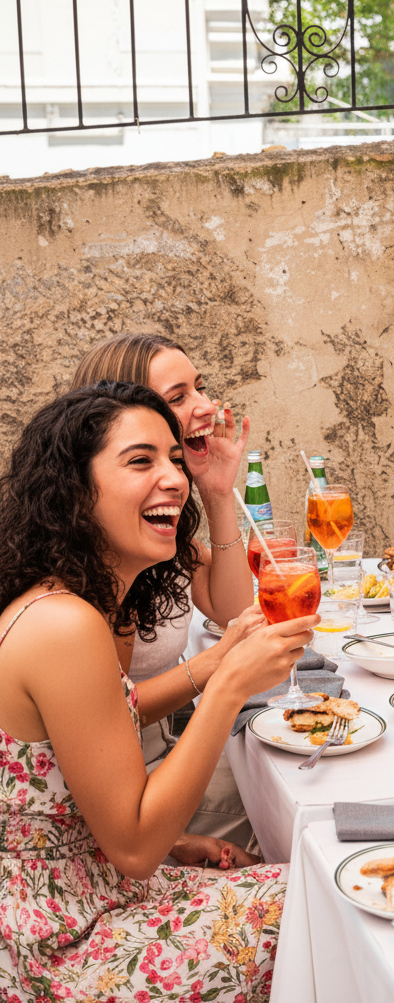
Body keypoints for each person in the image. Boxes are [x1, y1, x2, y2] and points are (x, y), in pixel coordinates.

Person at [0, 382, 316, 1001]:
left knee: (311, 877)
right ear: (73, 489)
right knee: (330, 903)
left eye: (174, 459)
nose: (173, 477)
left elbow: (58, 800)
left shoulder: (67, 601)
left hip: (89, 889)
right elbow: (137, 849)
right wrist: (226, 687)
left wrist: (175, 842)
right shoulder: (64, 624)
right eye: (140, 460)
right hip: (61, 948)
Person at [72, 333, 256, 851]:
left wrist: (218, 491)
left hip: (156, 756)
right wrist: (219, 667)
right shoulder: (87, 575)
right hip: (113, 799)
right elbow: (111, 715)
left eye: (200, 388)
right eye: (178, 398)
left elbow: (232, 609)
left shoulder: (155, 535)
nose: (206, 407)